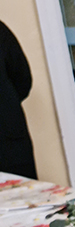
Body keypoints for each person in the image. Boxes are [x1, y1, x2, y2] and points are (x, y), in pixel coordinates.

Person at [0, 20, 37, 179]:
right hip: (8, 136)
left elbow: (22, 79)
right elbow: (22, 79)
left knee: (22, 190)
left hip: (8, 139)